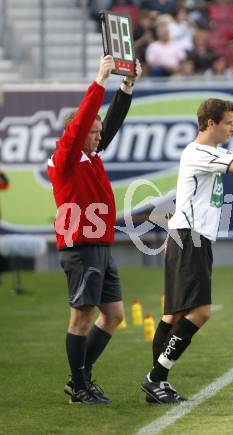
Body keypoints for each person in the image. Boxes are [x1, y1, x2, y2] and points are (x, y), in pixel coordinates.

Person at [140, 98, 233, 404]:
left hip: (188, 237)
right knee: (200, 312)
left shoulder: (210, 152)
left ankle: (157, 383)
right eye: (228, 123)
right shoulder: (199, 152)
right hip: (190, 238)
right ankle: (155, 378)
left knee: (174, 314)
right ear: (210, 124)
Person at [47, 55, 141, 404]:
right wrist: (99, 80)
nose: (100, 137)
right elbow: (86, 120)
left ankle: (80, 379)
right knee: (82, 318)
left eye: (100, 133)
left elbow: (109, 123)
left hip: (100, 244)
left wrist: (126, 88)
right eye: (94, 132)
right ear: (78, 133)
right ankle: (79, 385)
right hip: (80, 245)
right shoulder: (67, 157)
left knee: (113, 315)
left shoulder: (91, 155)